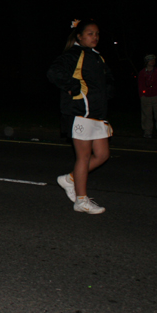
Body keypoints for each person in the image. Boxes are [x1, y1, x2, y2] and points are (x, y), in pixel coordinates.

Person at [47, 19, 113, 215]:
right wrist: (73, 87)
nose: (95, 37)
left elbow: (106, 80)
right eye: (90, 33)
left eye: (97, 34)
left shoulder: (97, 57)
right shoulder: (75, 54)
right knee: (83, 157)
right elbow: (54, 72)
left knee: (102, 155)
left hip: (97, 114)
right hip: (80, 113)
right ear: (80, 36)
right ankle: (81, 200)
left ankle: (70, 179)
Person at [138, 54, 157, 138]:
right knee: (146, 116)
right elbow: (140, 85)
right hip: (146, 97)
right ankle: (147, 131)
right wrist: (142, 95)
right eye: (151, 60)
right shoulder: (142, 72)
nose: (152, 61)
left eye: (153, 60)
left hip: (156, 97)